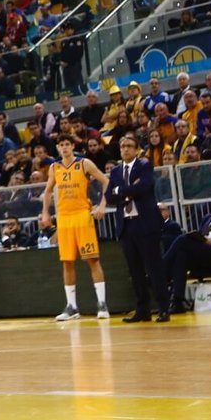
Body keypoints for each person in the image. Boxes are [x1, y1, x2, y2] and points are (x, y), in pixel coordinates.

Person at [39, 134, 110, 320]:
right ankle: (72, 307)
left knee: (92, 259)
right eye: (61, 145)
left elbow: (106, 181)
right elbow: (47, 192)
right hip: (63, 218)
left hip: (82, 216)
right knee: (67, 262)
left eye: (67, 144)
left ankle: (102, 303)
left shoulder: (84, 163)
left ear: (72, 146)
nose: (64, 148)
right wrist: (46, 212)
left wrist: (102, 205)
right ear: (57, 148)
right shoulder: (54, 167)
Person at [107, 135, 169, 322]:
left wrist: (121, 191)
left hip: (146, 223)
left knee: (154, 268)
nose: (125, 149)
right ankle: (142, 309)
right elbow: (109, 196)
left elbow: (143, 187)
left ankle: (163, 308)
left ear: (136, 149)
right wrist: (126, 191)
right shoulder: (116, 171)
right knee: (135, 271)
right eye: (122, 146)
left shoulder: (144, 165)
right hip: (126, 225)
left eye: (129, 146)